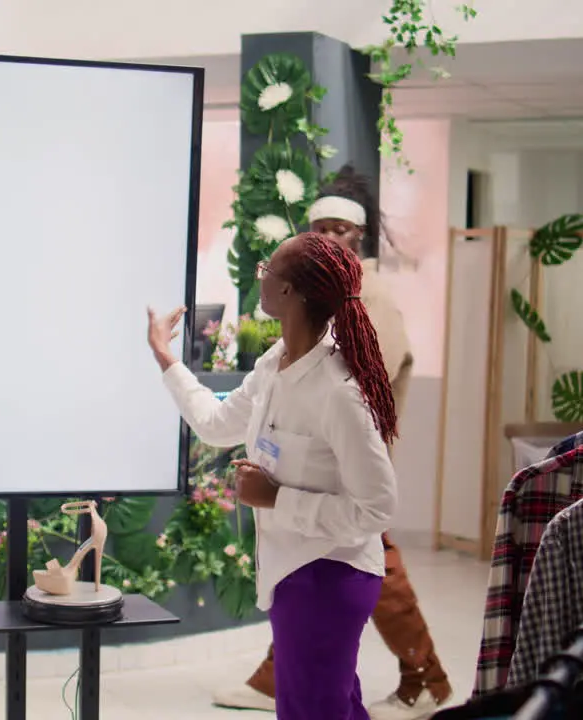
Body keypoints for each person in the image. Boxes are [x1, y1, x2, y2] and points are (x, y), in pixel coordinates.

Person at [212, 166, 452, 720]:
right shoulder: (298, 338)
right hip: (320, 485)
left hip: (347, 476)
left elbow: (360, 399)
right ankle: (409, 676)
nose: (330, 236)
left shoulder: (366, 313)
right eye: (320, 226)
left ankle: (424, 676)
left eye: (341, 229)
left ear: (358, 239)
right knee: (336, 621)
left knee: (367, 577)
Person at [149, 231, 399, 720]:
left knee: (312, 710)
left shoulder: (338, 392)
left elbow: (378, 508)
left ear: (290, 293)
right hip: (296, 575)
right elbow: (217, 425)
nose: (259, 277)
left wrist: (277, 498)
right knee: (331, 707)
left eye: (268, 270)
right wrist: (166, 357)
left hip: (331, 576)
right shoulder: (273, 366)